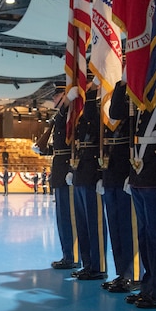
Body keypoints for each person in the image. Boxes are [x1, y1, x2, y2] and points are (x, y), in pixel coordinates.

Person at [124, 76, 156, 307]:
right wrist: (122, 82)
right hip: (140, 173)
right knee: (145, 235)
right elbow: (117, 112)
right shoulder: (139, 94)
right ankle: (149, 286)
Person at [100, 80, 141, 294]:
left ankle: (134, 274)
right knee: (115, 226)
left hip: (128, 167)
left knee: (129, 227)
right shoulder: (121, 90)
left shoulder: (139, 93)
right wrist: (120, 84)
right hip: (112, 171)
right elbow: (115, 112)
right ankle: (122, 272)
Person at [36, 85, 79, 270]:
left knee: (70, 218)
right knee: (62, 218)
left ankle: (74, 256)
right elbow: (60, 147)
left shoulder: (70, 115)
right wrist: (46, 149)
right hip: (59, 171)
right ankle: (67, 254)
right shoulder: (60, 116)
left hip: (67, 171)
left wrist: (71, 168)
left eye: (57, 96)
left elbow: (74, 144)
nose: (53, 99)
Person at [69, 80, 108, 281]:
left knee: (95, 223)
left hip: (93, 170)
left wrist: (102, 174)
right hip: (81, 171)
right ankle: (88, 264)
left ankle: (99, 266)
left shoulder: (101, 106)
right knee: (83, 223)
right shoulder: (82, 110)